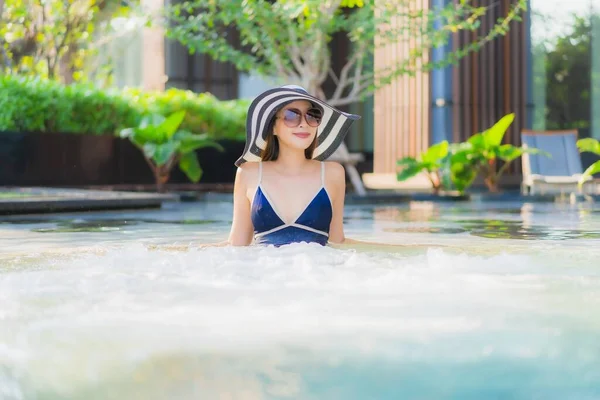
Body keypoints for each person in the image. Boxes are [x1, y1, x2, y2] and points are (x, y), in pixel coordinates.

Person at [201, 84, 365, 248]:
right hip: (268, 270)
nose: (304, 124)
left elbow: (338, 242)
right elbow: (236, 245)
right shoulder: (248, 173)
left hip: (316, 270)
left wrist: (389, 251)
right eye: (291, 115)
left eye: (312, 115)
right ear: (273, 127)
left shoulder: (332, 173)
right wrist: (181, 251)